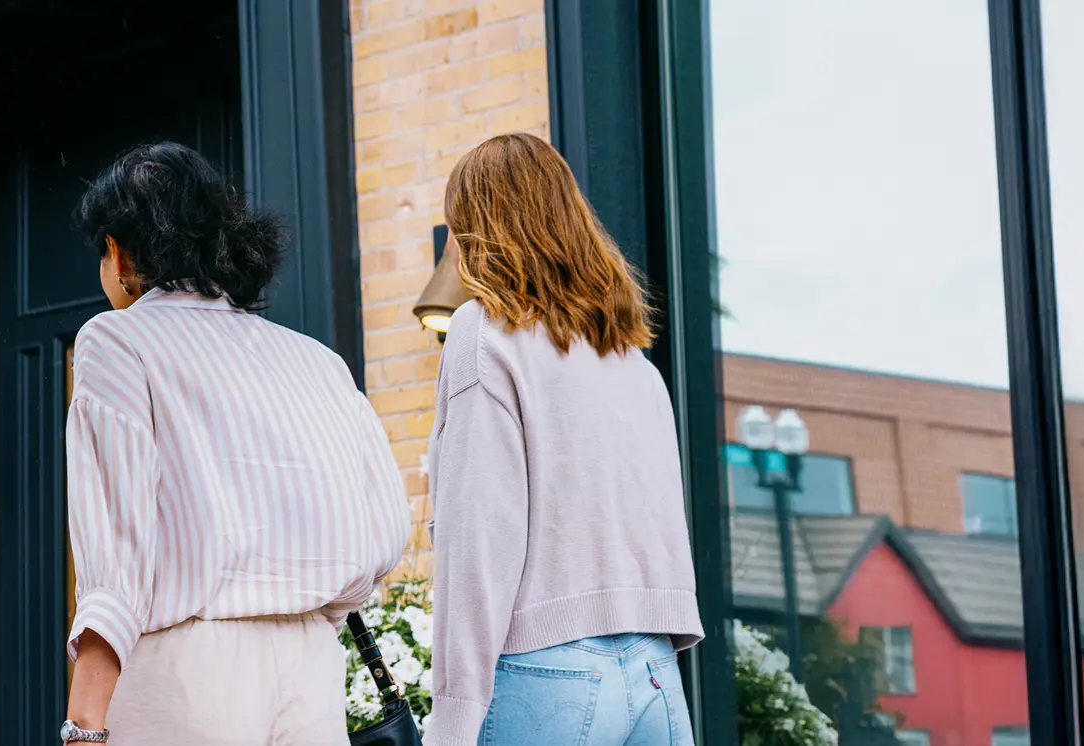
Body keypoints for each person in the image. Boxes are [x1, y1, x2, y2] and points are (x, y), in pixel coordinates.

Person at [58, 142, 411, 746]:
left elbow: (119, 556)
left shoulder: (116, 340)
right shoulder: (317, 361)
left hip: (185, 670)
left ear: (118, 251)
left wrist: (84, 724)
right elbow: (385, 532)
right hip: (310, 671)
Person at [423, 132, 704, 746]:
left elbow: (479, 533)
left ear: (476, 229)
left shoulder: (483, 333)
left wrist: (453, 717)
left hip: (546, 672)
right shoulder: (633, 363)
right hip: (655, 673)